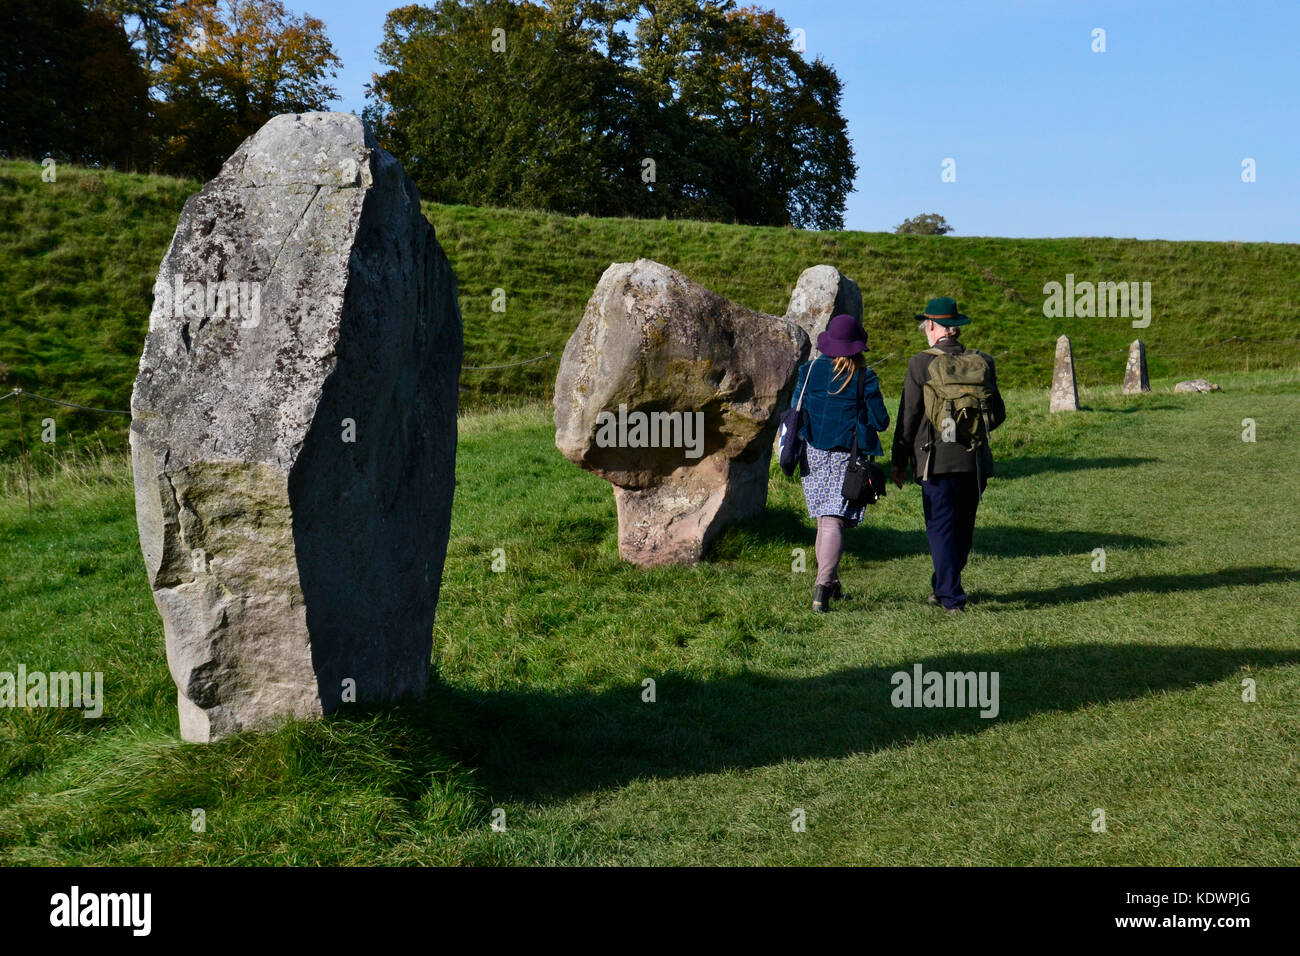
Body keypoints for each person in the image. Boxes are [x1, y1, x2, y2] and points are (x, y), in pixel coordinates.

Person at [890, 297, 1006, 613]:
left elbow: (909, 417)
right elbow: (999, 413)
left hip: (934, 460)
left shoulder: (919, 363)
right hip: (974, 459)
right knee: (963, 529)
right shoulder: (983, 361)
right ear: (956, 327)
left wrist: (898, 460)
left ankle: (952, 597)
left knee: (941, 528)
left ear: (931, 327)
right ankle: (942, 587)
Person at [793, 313, 890, 613]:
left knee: (825, 519)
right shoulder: (865, 377)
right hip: (847, 457)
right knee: (834, 520)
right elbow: (881, 421)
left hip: (812, 453)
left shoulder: (808, 371)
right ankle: (821, 588)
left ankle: (831, 584)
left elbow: (797, 408)